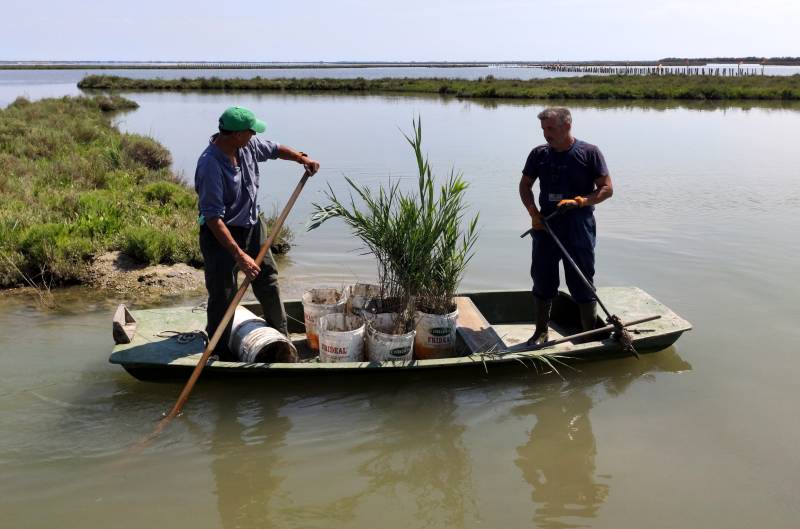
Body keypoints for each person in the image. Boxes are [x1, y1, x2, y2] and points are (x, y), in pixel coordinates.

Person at [195, 106, 320, 360]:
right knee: (223, 292)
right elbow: (213, 218)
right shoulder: (210, 165)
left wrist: (301, 158)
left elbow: (274, 149)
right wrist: (240, 256)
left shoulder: (247, 146)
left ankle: (281, 340)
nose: (254, 136)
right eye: (251, 132)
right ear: (238, 134)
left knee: (268, 278)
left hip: (252, 225)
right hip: (221, 235)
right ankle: (219, 352)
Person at [518, 107, 613, 346]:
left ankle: (588, 335)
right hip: (546, 227)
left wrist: (581, 201)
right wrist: (533, 213)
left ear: (567, 126)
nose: (545, 134)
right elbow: (525, 186)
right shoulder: (539, 154)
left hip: (578, 227)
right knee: (543, 280)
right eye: (543, 129)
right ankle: (541, 332)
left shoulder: (589, 153)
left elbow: (607, 188)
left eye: (550, 129)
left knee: (582, 281)